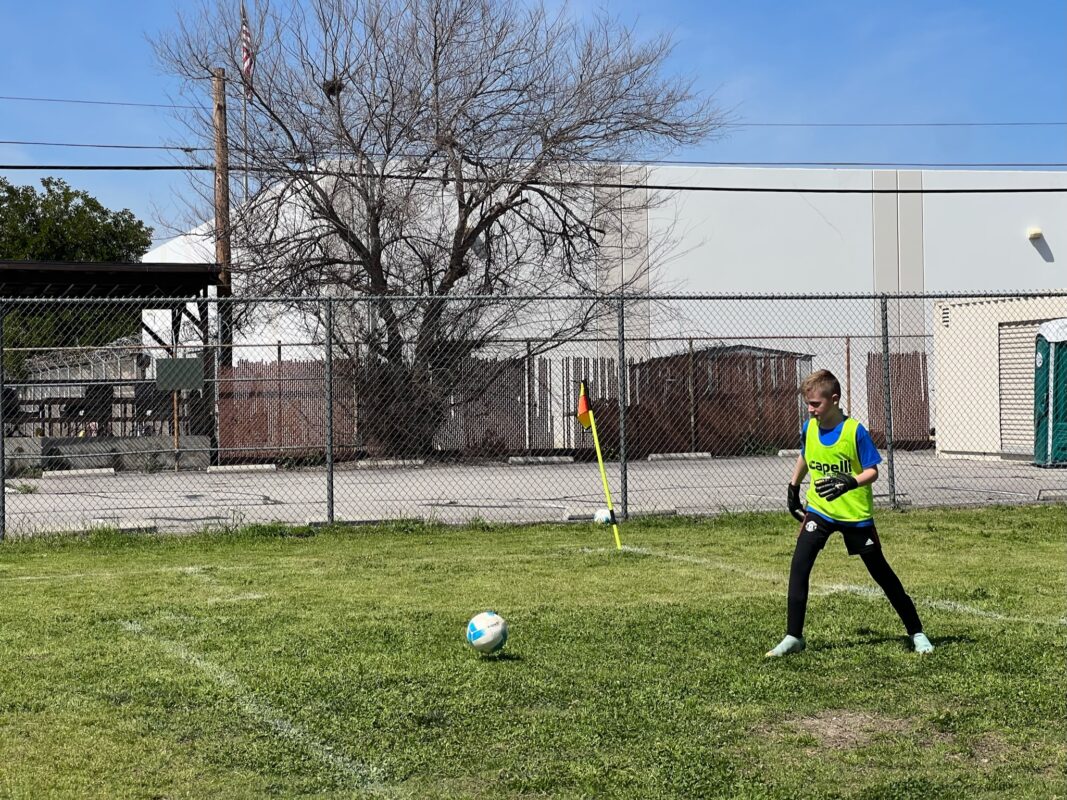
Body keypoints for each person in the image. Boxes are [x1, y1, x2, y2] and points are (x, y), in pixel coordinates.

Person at [766, 369, 933, 657]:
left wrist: (850, 482)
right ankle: (793, 636)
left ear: (834, 399)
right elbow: (806, 454)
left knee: (882, 574)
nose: (810, 409)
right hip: (820, 510)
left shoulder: (854, 431)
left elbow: (873, 471)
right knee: (799, 565)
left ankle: (917, 632)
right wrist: (793, 486)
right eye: (807, 404)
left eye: (815, 404)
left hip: (855, 515)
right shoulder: (810, 427)